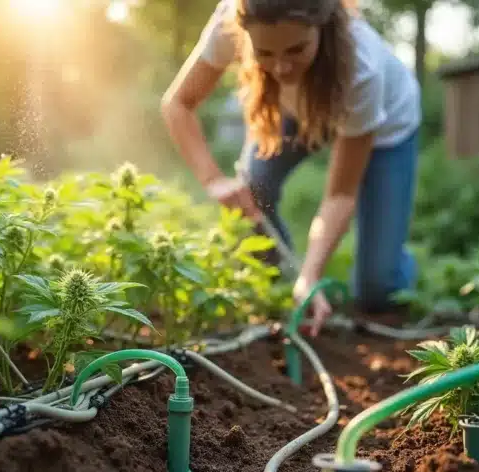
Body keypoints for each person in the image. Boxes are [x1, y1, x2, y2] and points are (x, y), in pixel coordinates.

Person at [160, 0, 421, 336]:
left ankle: (392, 264)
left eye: (296, 49)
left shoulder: (361, 68)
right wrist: (212, 179)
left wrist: (312, 272)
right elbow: (177, 104)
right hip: (296, 112)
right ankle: (283, 288)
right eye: (264, 53)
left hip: (387, 127)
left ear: (322, 28)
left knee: (376, 289)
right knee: (254, 188)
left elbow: (341, 194)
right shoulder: (231, 22)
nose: (281, 68)